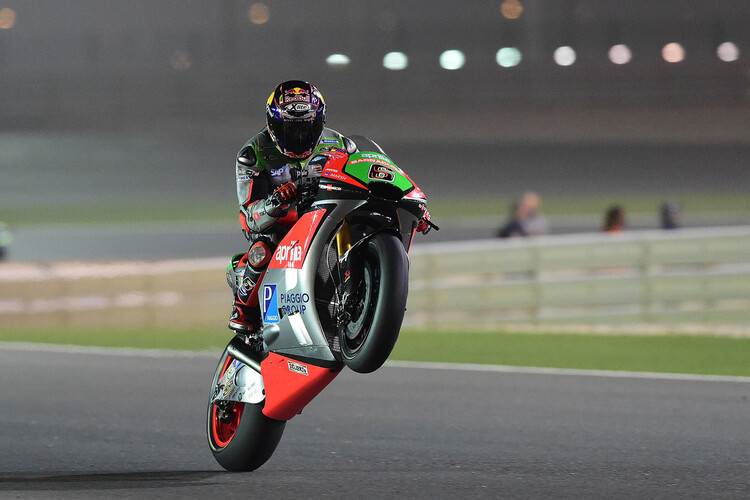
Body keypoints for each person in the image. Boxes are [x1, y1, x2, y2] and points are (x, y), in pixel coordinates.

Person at [227, 80, 430, 337]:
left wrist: (411, 204)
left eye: (307, 129)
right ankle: (242, 309)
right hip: (283, 226)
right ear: (272, 125)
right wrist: (275, 202)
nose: (300, 138)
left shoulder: (341, 144)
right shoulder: (252, 153)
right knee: (261, 251)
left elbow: (371, 173)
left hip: (328, 213)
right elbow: (248, 218)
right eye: (290, 130)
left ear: (320, 123)